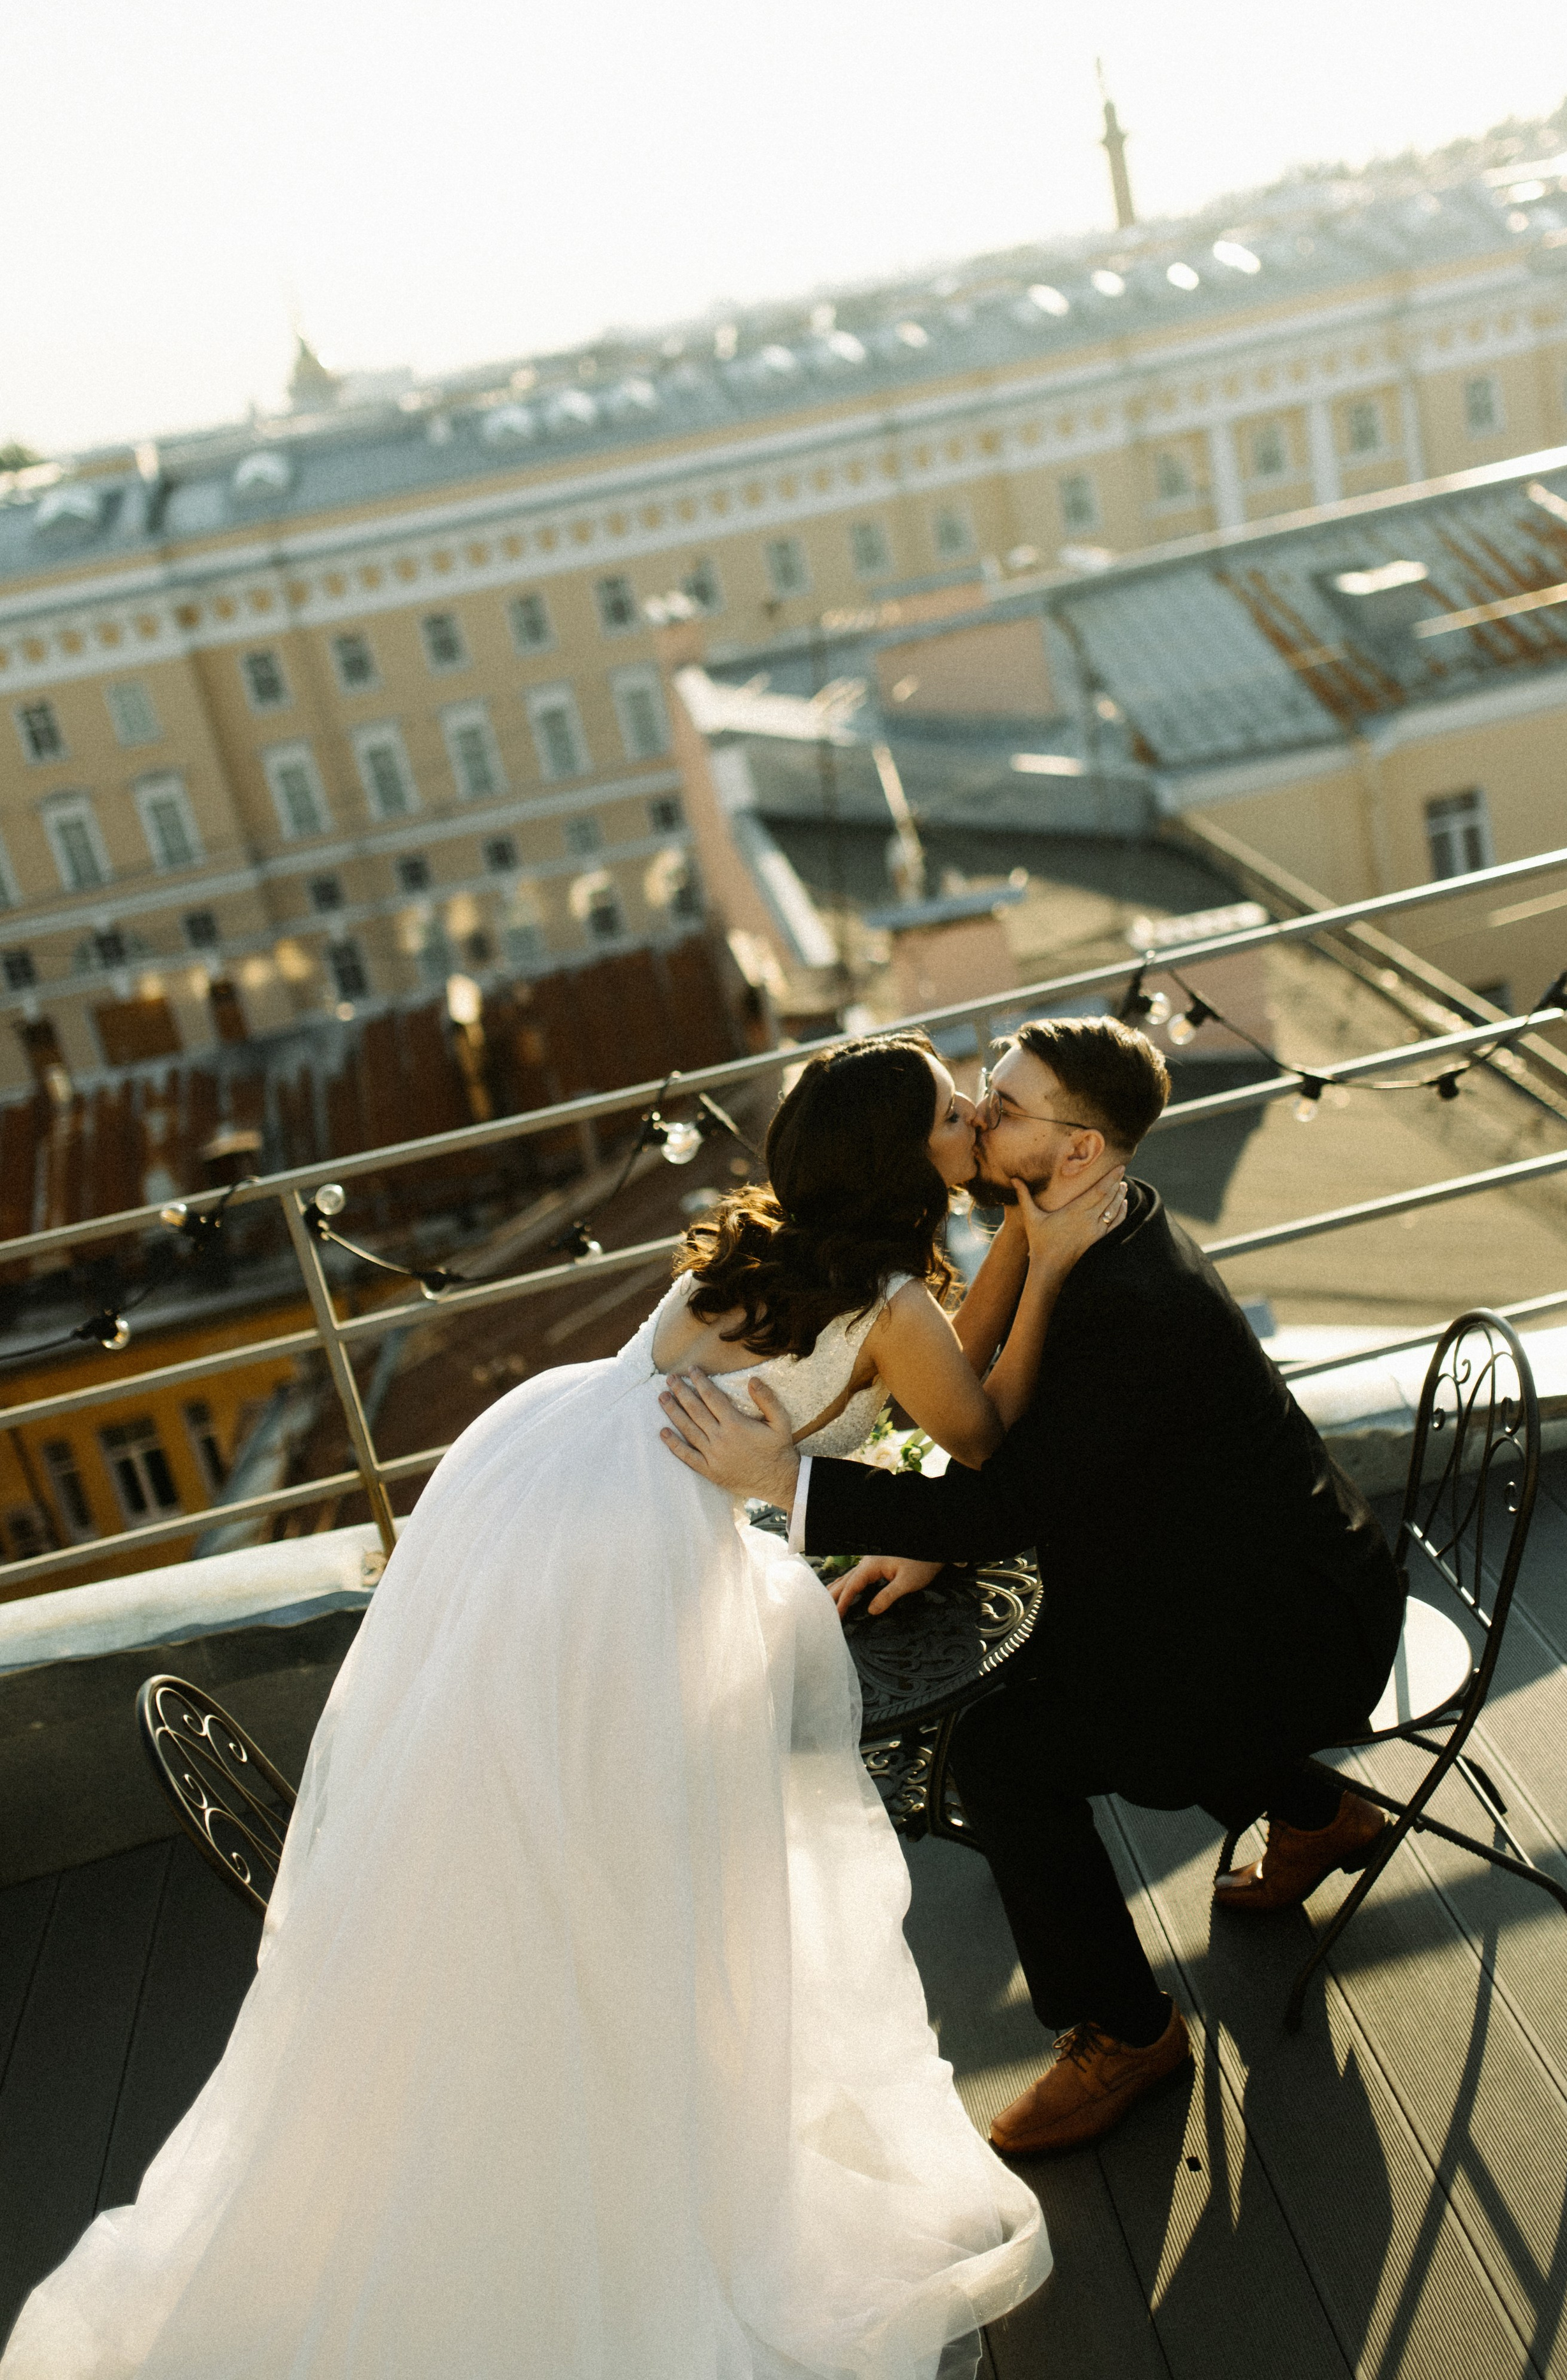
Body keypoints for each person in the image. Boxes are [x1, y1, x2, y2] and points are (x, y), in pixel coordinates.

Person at [1, 1033, 1126, 2380]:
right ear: (903, 1162)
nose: (971, 1122)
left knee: (545, 1863)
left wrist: (994, 1245)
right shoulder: (888, 1300)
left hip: (539, 1488)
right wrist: (1045, 1260)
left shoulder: (756, 1251)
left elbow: (924, 1354)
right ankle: (640, 2148)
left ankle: (555, 2104)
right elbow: (976, 1428)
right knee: (650, 1876)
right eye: (953, 1114)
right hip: (629, 1570)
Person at [660, 1017, 1408, 2162]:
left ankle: (1129, 2034)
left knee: (1003, 1754)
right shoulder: (1087, 1224)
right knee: (1047, 1679)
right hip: (1227, 1581)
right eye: (981, 1097)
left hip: (1292, 1631)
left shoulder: (1126, 1303)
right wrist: (930, 1538)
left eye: (1002, 1106)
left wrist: (787, 1481)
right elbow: (1009, 1449)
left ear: (1082, 1149)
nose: (978, 1116)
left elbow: (1004, 1498)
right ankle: (1316, 1813)